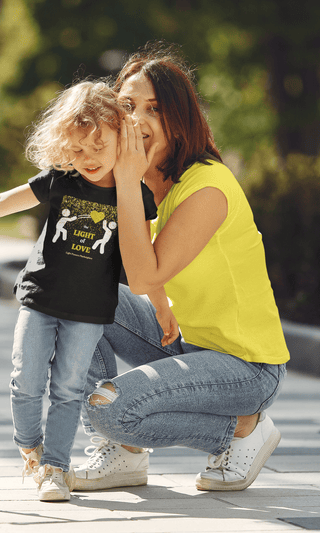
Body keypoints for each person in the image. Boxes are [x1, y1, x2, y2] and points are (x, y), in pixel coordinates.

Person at [0, 80, 161, 501]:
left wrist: (163, 307)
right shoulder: (61, 179)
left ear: (122, 133)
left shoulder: (134, 193)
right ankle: (31, 447)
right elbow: (1, 202)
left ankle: (55, 469)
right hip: (41, 299)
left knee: (68, 388)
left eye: (99, 145)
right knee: (25, 379)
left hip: (89, 310)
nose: (88, 158)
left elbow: (144, 256)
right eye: (78, 148)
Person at [73, 42, 290, 493]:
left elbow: (145, 274)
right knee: (68, 292)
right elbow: (119, 273)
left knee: (107, 409)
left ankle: (243, 430)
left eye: (154, 109)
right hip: (188, 345)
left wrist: (127, 181)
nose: (138, 120)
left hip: (246, 368)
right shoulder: (154, 188)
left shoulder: (206, 187)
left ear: (179, 120)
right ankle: (123, 455)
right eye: (128, 107)